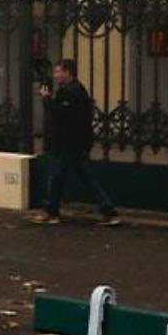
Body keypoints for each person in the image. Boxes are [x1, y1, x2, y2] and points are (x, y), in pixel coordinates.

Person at [32, 59, 120, 226]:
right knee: (85, 177)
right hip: (75, 142)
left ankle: (51, 212)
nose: (55, 75)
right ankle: (108, 211)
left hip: (69, 143)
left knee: (57, 176)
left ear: (68, 72)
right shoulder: (73, 90)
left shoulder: (71, 92)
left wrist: (47, 99)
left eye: (58, 72)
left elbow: (61, 115)